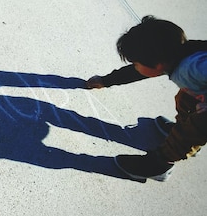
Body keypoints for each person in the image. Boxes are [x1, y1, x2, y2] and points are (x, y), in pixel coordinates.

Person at [86, 16, 207, 181]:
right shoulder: (173, 54)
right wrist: (106, 80)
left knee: (195, 127)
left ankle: (159, 165)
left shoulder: (193, 67)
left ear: (157, 65)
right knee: (186, 99)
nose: (136, 67)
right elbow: (139, 72)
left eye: (136, 63)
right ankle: (181, 131)